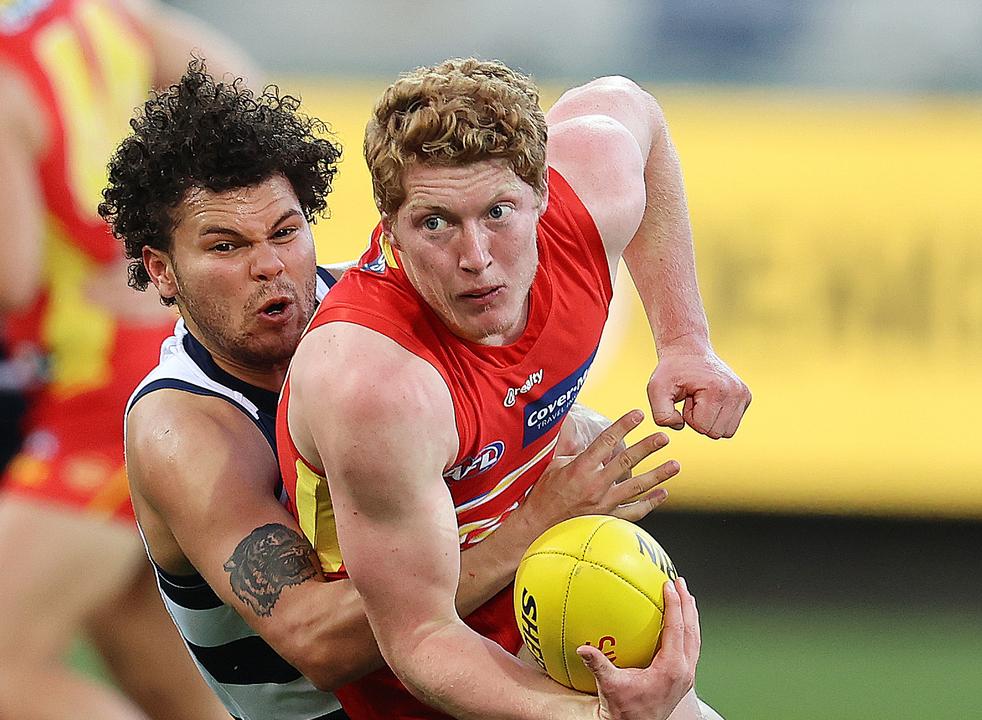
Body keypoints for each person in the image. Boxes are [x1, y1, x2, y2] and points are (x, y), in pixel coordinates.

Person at [107, 63, 673, 720]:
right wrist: (530, 522)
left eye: (285, 232)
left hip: (472, 662)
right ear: (161, 270)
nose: (268, 265)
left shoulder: (375, 324)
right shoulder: (184, 428)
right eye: (225, 245)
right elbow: (319, 642)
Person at [279, 58, 751, 719]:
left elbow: (633, 109)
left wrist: (684, 342)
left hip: (555, 610)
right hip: (437, 686)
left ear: (544, 196)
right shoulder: (376, 383)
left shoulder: (592, 190)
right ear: (389, 226)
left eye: (498, 212)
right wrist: (597, 718)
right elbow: (419, 637)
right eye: (435, 223)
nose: (476, 257)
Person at [0, 1, 255, 718]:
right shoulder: (98, 14)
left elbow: (11, 273)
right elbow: (234, 87)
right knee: (151, 661)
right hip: (142, 371)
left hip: (100, 396)